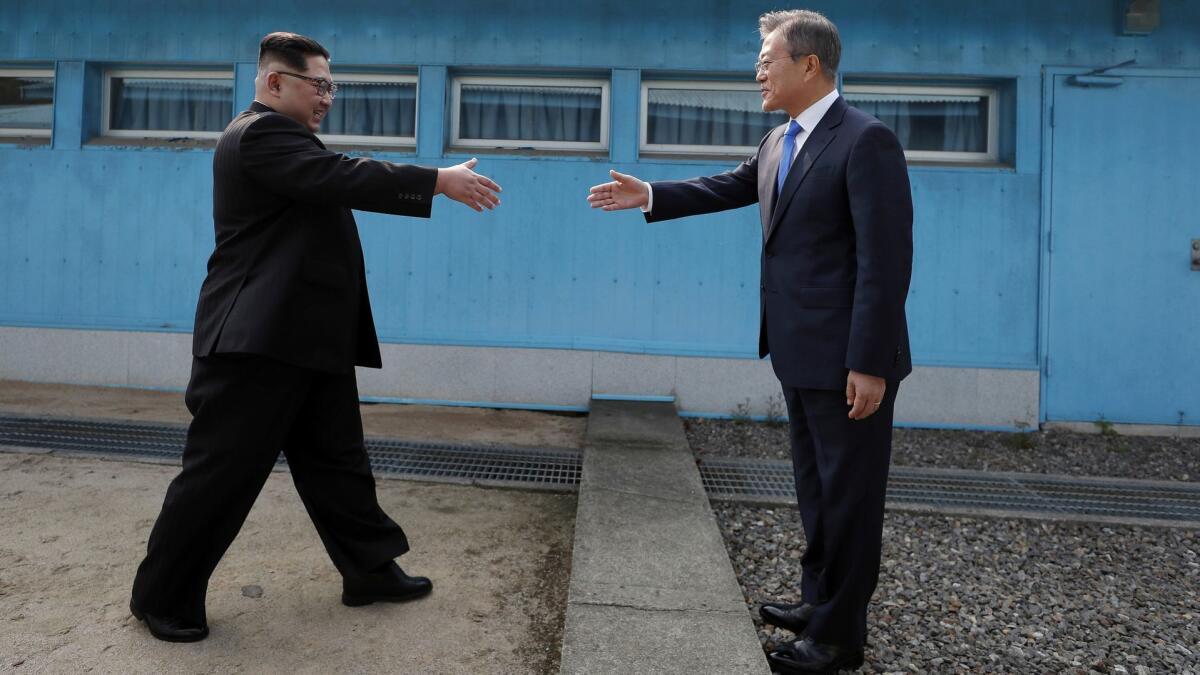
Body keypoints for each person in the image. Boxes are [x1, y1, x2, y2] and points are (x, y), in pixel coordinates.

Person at [129, 31, 502, 643]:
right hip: (256, 343)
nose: (328, 96)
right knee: (221, 475)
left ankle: (370, 571)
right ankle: (160, 596)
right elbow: (342, 176)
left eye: (332, 85)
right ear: (276, 82)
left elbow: (328, 183)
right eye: (318, 84)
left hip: (304, 337)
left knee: (337, 463)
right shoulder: (260, 134)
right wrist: (434, 179)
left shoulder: (288, 139)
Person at [587, 10, 912, 673]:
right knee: (816, 489)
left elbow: (886, 260)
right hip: (798, 349)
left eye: (768, 58)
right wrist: (650, 192)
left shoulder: (866, 141)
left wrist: (870, 361)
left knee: (850, 496)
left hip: (850, 358)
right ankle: (819, 600)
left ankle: (838, 639)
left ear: (810, 65)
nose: (758, 70)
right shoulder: (777, 142)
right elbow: (728, 186)